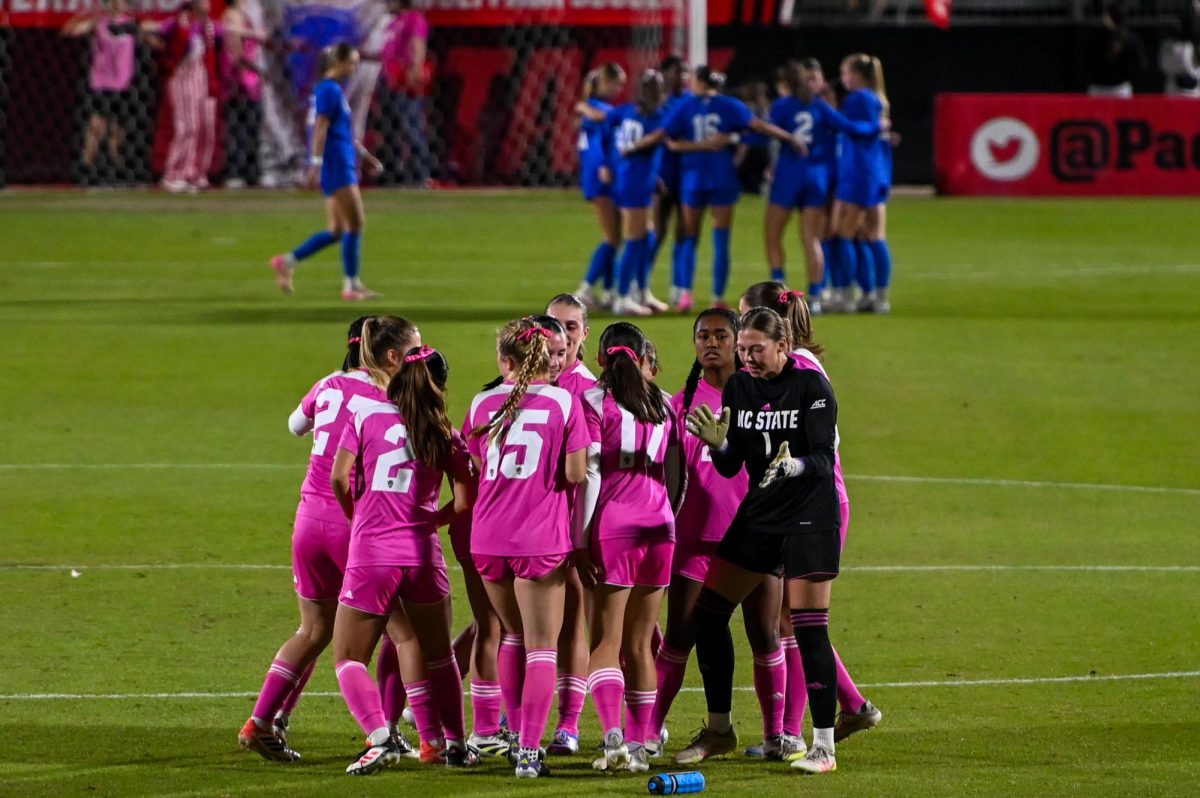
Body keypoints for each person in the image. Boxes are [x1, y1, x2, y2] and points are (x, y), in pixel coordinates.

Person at [238, 315, 420, 762]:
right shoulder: (387, 398)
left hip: (309, 520)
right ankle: (391, 731)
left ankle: (260, 722)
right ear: (390, 355)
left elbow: (294, 426)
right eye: (414, 351)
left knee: (313, 629)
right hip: (353, 522)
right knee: (404, 633)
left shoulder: (329, 384)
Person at [680, 306, 843, 775]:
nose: (747, 357)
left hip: (809, 519)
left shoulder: (812, 389)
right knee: (708, 615)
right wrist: (718, 445)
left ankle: (824, 746)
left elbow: (822, 460)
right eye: (743, 349)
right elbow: (734, 465)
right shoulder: (740, 386)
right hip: (759, 517)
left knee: (810, 628)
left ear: (783, 347)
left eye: (757, 349)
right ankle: (719, 727)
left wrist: (793, 466)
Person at [739, 282, 882, 755]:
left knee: (797, 619)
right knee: (795, 617)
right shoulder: (787, 364)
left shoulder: (801, 371)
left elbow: (818, 447)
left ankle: (791, 733)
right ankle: (850, 707)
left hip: (814, 501)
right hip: (795, 498)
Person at [330, 341, 478, 773]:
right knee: (440, 656)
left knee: (348, 657)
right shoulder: (445, 433)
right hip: (422, 554)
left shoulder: (365, 414)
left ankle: (381, 736)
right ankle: (455, 744)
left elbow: (340, 477)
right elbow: (465, 500)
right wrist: (433, 521)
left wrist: (358, 516)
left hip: (372, 551)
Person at [466, 318, 590, 778]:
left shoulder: (481, 402)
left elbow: (477, 463)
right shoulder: (563, 401)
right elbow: (577, 474)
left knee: (511, 636)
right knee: (541, 647)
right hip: (537, 538)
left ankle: (515, 734)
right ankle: (532, 751)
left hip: (487, 537)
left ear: (505, 361)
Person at [576, 323, 684, 774]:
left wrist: (581, 539)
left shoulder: (593, 402)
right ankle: (641, 745)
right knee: (642, 644)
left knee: (605, 641)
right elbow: (678, 477)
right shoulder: (663, 403)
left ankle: (612, 736)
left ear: (600, 359)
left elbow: (590, 475)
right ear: (642, 358)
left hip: (614, 525)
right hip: (661, 525)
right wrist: (667, 515)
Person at [648, 308, 746, 755]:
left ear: (738, 341)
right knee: (679, 636)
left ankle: (781, 734)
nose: (711, 342)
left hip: (751, 536)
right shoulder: (678, 402)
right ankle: (646, 733)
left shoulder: (757, 396)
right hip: (693, 538)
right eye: (703, 335)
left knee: (770, 635)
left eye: (721, 335)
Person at [635, 66, 799, 312]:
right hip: (722, 175)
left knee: (690, 236)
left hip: (694, 177)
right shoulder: (729, 104)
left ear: (699, 82)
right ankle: (717, 297)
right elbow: (759, 127)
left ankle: (685, 295)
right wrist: (789, 137)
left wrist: (634, 146)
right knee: (721, 238)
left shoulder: (686, 106)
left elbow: (663, 136)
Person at [268, 44, 385, 302]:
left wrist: (367, 156)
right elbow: (321, 126)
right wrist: (316, 162)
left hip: (339, 161)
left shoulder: (330, 90)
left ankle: (287, 262)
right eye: (352, 62)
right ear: (339, 62)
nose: (355, 68)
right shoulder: (330, 90)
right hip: (337, 164)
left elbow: (341, 132)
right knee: (355, 223)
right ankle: (351, 285)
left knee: (337, 230)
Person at [763, 61, 882, 313]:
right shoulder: (820, 106)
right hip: (817, 178)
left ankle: (779, 296)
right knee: (812, 239)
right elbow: (848, 127)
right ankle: (815, 298)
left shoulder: (782, 105)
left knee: (773, 236)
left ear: (785, 85)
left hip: (788, 175)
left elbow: (764, 132)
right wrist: (876, 126)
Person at [542, 294, 597, 755]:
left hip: (572, 527)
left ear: (584, 333)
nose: (562, 335)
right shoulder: (520, 384)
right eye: (553, 325)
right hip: (530, 528)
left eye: (572, 327)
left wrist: (583, 537)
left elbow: (590, 473)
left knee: (574, 624)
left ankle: (568, 724)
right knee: (506, 624)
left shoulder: (589, 392)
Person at [824, 54, 890, 315]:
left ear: (857, 75)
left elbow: (855, 128)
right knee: (872, 236)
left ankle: (846, 295)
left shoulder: (859, 97)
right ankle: (876, 295)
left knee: (844, 234)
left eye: (845, 73)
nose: (843, 78)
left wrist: (826, 111)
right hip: (875, 171)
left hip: (858, 172)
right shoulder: (877, 98)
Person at [605, 70, 668, 316]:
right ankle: (622, 296)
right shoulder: (656, 117)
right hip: (635, 181)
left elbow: (606, 128)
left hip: (635, 178)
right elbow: (659, 136)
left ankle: (641, 290)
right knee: (634, 238)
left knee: (648, 236)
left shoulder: (626, 112)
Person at [62, 0, 138, 186]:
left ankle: (117, 173)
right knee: (96, 128)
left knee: (117, 134)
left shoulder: (132, 25)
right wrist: (82, 15)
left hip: (123, 85)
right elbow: (68, 31)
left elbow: (157, 37)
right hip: (101, 84)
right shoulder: (99, 23)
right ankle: (85, 171)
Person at [571, 63, 627, 309]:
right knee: (613, 237)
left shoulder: (592, 109)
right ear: (605, 83)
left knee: (613, 237)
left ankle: (608, 291)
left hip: (600, 176)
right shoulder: (598, 110)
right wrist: (603, 166)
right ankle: (584, 289)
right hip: (600, 177)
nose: (618, 90)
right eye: (616, 84)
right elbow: (594, 144)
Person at [650, 56, 692, 311]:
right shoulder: (656, 104)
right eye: (677, 72)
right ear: (664, 74)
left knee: (684, 232)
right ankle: (639, 285)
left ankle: (680, 288)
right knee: (656, 232)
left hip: (686, 176)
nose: (681, 77)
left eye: (685, 72)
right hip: (661, 175)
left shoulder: (690, 102)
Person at [381, 0, 433, 186]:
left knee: (411, 127)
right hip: (390, 80)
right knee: (392, 130)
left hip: (404, 79)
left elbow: (418, 43)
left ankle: (422, 174)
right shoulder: (393, 20)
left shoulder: (414, 18)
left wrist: (416, 68)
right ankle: (395, 173)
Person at [221, 0, 265, 188]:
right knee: (239, 129)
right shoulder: (232, 15)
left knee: (250, 129)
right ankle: (237, 172)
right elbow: (235, 52)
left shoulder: (249, 16)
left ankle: (250, 172)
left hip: (251, 80)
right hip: (240, 81)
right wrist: (258, 71)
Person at [1087, 3, 1146, 97]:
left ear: (1107, 18)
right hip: (1107, 88)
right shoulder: (1097, 38)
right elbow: (1139, 67)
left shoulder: (1130, 40)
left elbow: (1088, 62)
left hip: (1116, 89)